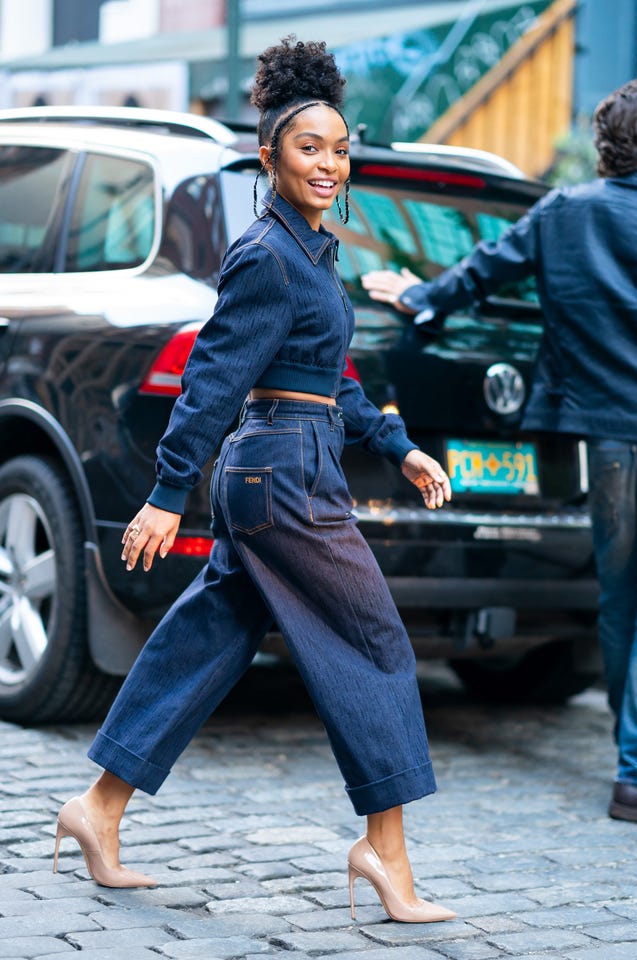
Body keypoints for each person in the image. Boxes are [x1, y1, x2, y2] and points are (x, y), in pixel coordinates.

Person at [53, 37, 457, 924]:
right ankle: (385, 855)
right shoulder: (267, 254)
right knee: (376, 644)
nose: (327, 163)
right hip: (282, 476)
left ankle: (98, 808)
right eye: (308, 147)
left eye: (340, 148)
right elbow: (214, 378)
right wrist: (165, 492)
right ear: (269, 154)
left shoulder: (314, 250)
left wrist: (396, 444)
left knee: (210, 637)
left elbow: (331, 375)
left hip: (289, 466)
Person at [362, 77, 637, 823]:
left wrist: (415, 298)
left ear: (606, 146)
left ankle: (634, 767)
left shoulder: (564, 212)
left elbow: (481, 270)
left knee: (621, 600)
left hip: (611, 439)